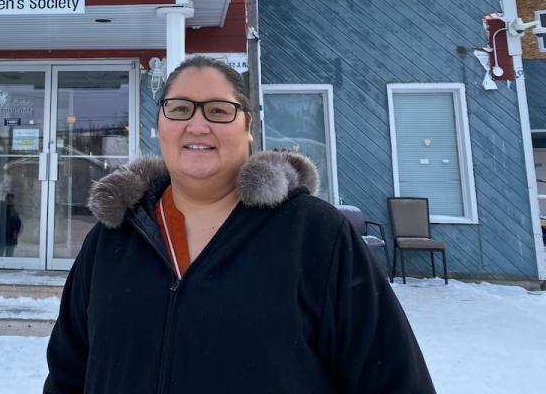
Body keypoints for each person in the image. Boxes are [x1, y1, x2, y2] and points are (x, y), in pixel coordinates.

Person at [44, 56, 434, 393]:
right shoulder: (111, 242)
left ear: (248, 126)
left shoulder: (316, 236)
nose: (197, 126)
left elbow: (392, 379)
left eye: (218, 110)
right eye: (179, 109)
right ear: (160, 124)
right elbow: (67, 374)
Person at [0, 192, 22, 256]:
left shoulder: (15, 210)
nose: (10, 201)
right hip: (2, 237)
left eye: (11, 199)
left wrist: (16, 232)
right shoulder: (2, 209)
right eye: (8, 199)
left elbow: (18, 223)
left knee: (9, 255)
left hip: (11, 237)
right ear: (6, 200)